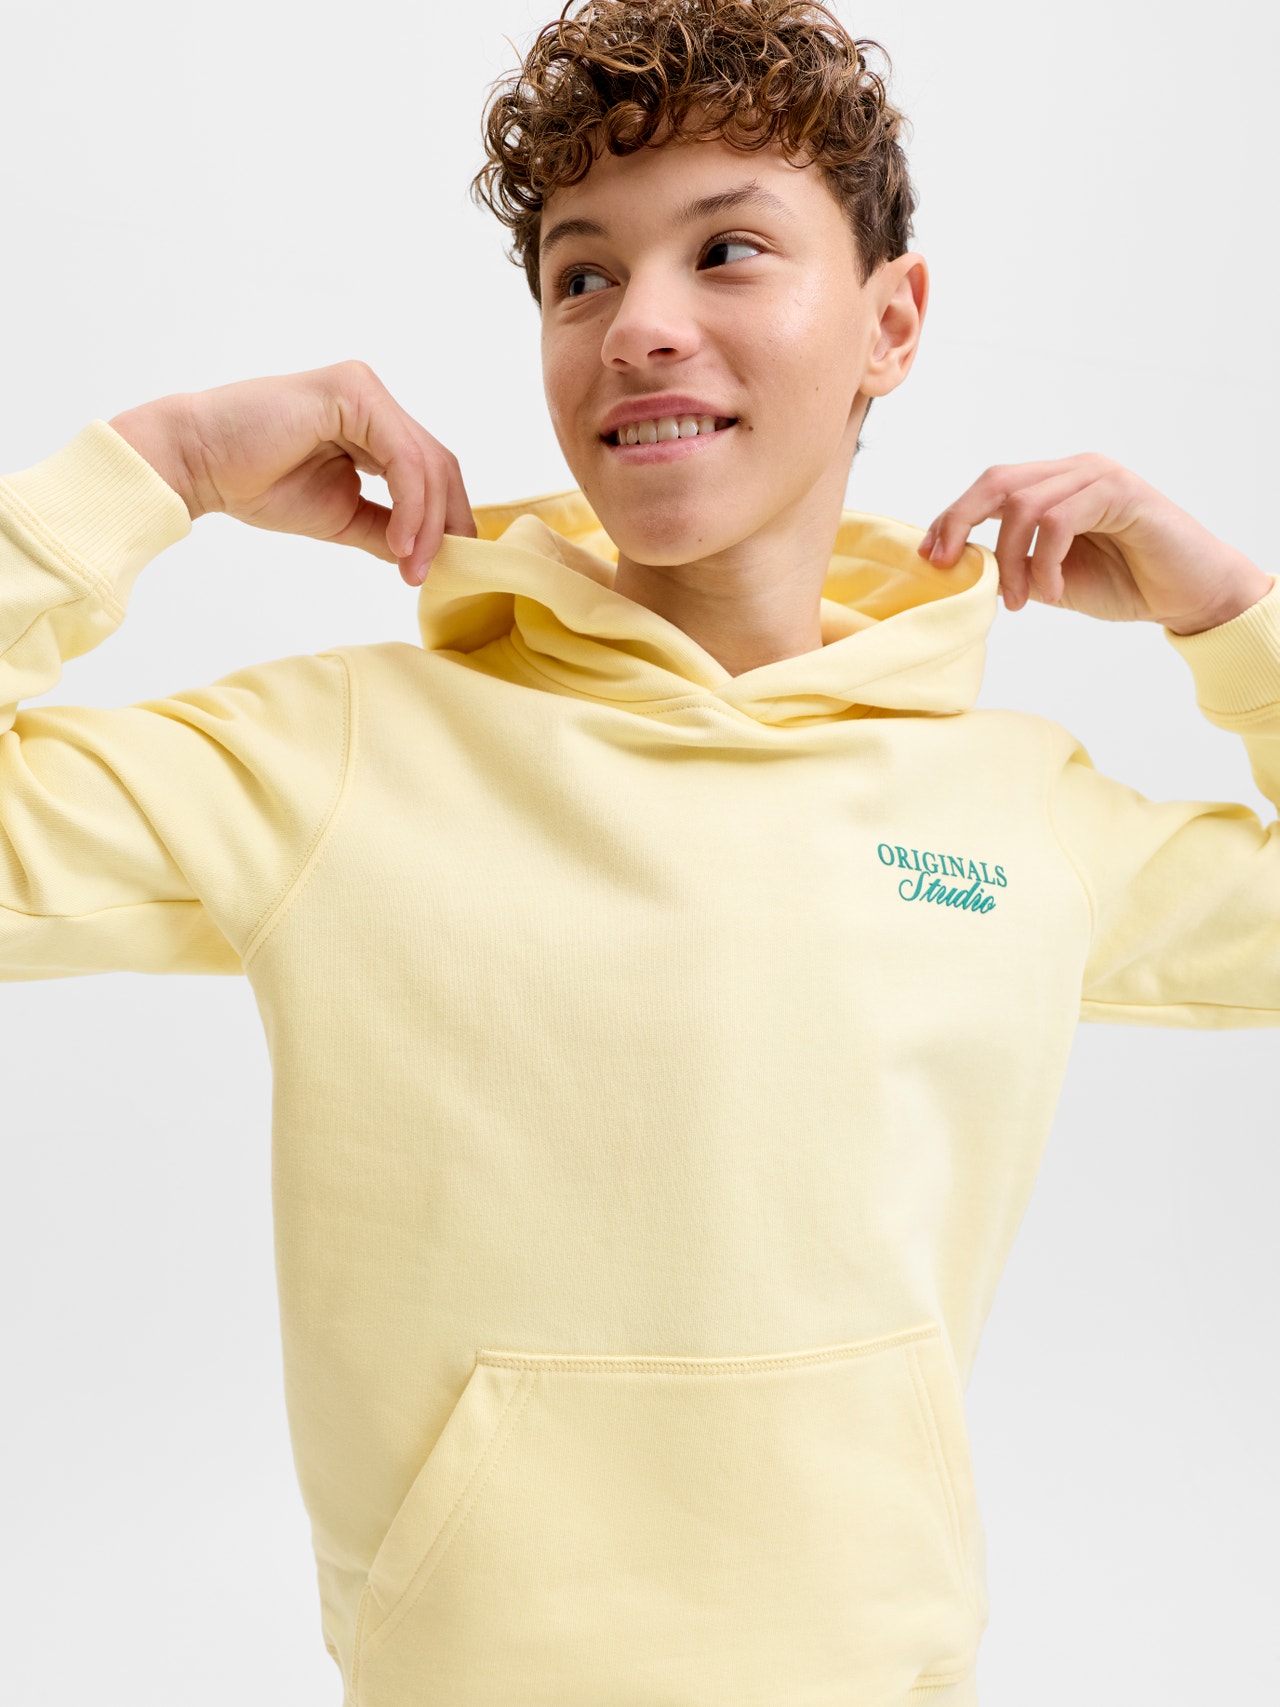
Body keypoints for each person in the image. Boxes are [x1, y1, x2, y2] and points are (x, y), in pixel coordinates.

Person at [2, 0, 1276, 1702]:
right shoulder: (346, 756)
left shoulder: (1011, 807)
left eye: (728, 251)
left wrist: (1231, 612)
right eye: (582, 276)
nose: (640, 328)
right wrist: (154, 469)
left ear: (892, 322)